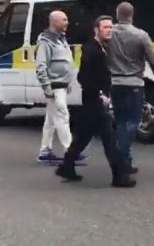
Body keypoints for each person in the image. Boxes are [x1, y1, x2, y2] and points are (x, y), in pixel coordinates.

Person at [55, 16, 135, 187]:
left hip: (93, 103)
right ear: (96, 30)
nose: (109, 30)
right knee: (109, 139)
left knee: (83, 137)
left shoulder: (101, 48)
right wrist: (100, 93)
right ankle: (119, 176)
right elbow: (83, 77)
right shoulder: (92, 49)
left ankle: (66, 166)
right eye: (105, 27)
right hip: (94, 102)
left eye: (110, 27)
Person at [108, 2, 154, 173]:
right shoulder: (141, 35)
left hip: (115, 84)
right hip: (134, 84)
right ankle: (121, 156)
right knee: (134, 121)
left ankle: (125, 161)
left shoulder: (109, 35)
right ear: (132, 15)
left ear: (117, 14)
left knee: (120, 121)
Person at [35, 11, 75, 164]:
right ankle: (71, 152)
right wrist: (47, 88)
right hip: (55, 87)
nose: (67, 22)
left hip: (61, 86)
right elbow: (41, 67)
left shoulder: (61, 39)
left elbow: (65, 63)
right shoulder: (46, 41)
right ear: (54, 22)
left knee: (51, 121)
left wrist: (68, 82)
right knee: (63, 117)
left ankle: (45, 151)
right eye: (64, 20)